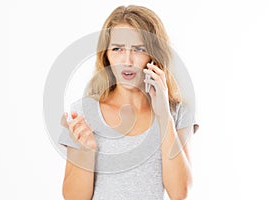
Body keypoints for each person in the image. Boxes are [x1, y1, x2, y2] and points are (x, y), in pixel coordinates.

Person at [59, 5, 198, 200]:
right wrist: (86, 151)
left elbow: (179, 193)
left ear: (153, 55)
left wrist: (164, 115)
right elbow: (73, 197)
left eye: (139, 49)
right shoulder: (83, 112)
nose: (127, 60)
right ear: (106, 55)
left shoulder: (176, 113)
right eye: (117, 49)